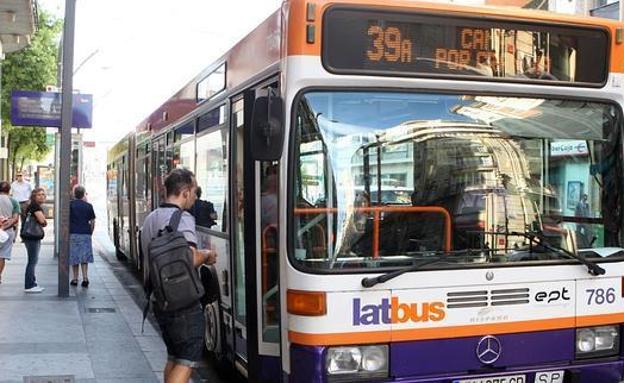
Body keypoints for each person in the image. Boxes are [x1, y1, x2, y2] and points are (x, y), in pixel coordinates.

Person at [140, 169, 217, 383]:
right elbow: (190, 257)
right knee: (186, 360)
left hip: (159, 301)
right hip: (182, 303)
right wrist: (208, 255)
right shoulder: (183, 219)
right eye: (194, 191)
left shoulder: (150, 218)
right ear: (184, 192)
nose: (195, 196)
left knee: (173, 357)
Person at [69, 186, 96, 287]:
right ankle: (85, 278)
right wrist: (90, 232)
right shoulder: (89, 206)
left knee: (74, 256)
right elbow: (92, 221)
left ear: (74, 194)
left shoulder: (70, 205)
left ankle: (75, 279)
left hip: (73, 233)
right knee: (84, 257)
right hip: (85, 233)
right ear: (83, 194)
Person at [23, 188, 46, 293]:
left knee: (33, 260)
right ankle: (29, 285)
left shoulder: (31, 205)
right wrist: (44, 222)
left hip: (29, 236)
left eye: (43, 194)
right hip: (32, 236)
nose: (42, 196)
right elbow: (42, 221)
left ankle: (33, 282)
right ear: (34, 196)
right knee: (32, 261)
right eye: (39, 195)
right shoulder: (35, 206)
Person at [0, 182, 20, 284]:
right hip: (7, 232)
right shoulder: (14, 202)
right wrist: (4, 227)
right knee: (2, 256)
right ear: (9, 190)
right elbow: (15, 219)